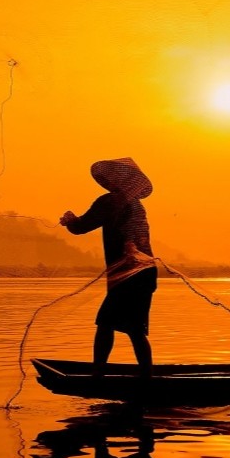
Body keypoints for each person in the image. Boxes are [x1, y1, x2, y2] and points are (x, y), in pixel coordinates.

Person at [60, 157, 157, 378]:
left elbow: (81, 227)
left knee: (105, 323)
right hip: (145, 273)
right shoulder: (136, 206)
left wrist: (70, 220)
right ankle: (146, 377)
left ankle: (98, 376)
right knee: (135, 329)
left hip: (129, 274)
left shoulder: (110, 202)